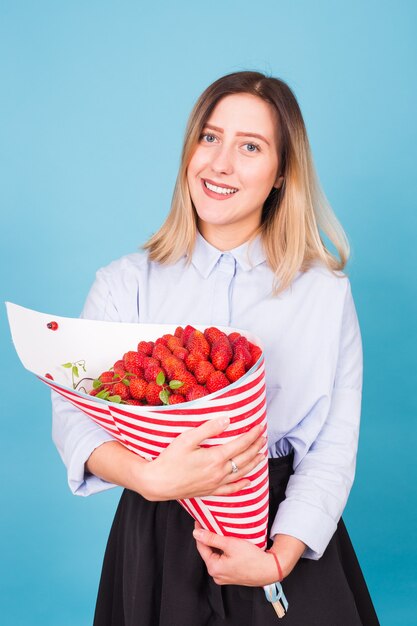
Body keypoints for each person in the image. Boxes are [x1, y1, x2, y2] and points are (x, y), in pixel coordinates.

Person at [51, 70, 380, 625]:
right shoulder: (123, 283)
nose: (220, 163)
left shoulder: (324, 294)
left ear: (282, 175)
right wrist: (150, 477)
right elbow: (74, 413)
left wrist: (279, 558)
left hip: (281, 525)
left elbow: (332, 444)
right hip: (156, 527)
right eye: (210, 137)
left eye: (250, 147)